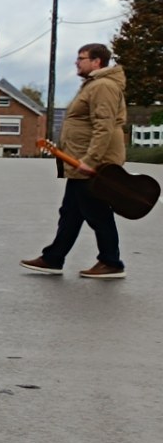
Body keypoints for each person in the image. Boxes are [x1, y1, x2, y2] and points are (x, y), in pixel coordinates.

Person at [22, 43, 129, 280]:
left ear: (97, 62)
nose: (77, 62)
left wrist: (91, 160)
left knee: (97, 212)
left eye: (81, 58)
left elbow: (104, 126)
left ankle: (111, 262)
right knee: (71, 212)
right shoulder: (94, 84)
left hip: (93, 164)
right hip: (80, 161)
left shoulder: (103, 86)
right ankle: (53, 258)